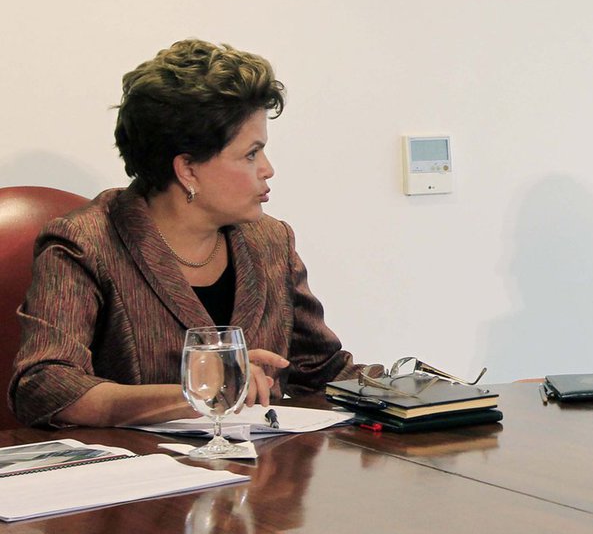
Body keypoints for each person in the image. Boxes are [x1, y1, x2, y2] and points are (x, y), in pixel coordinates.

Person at [9, 39, 372, 427]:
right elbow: (45, 386)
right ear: (188, 169)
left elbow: (323, 371)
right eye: (251, 153)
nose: (268, 169)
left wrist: (412, 392)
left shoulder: (270, 241)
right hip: (144, 462)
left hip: (259, 462)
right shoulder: (85, 244)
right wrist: (197, 390)